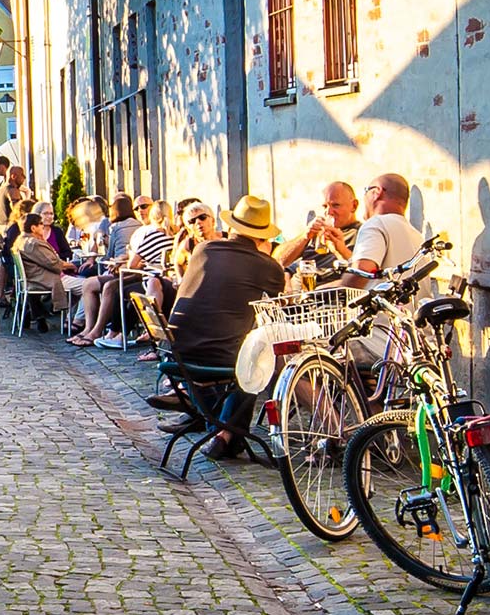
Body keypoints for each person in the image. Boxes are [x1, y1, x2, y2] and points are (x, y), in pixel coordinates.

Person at [165, 195, 286, 460]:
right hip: (220, 357)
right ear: (262, 237)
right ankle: (225, 435)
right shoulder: (267, 266)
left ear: (232, 227)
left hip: (178, 353)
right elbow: (276, 307)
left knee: (245, 355)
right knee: (258, 360)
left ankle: (222, 434)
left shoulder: (203, 249)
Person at [73, 200, 175, 348]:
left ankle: (110, 333)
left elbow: (131, 263)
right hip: (162, 279)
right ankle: (99, 331)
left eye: (144, 207)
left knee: (117, 290)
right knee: (107, 286)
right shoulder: (175, 234)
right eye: (137, 208)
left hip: (149, 278)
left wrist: (121, 260)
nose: (140, 210)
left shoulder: (150, 233)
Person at [338, 174, 423, 287]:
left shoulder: (376, 224)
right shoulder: (417, 236)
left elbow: (361, 272)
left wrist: (336, 294)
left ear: (377, 192)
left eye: (366, 191)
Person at [276, 181, 362, 268]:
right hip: (300, 278)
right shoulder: (317, 232)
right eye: (325, 206)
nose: (329, 212)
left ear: (354, 206)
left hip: (327, 280)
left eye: (335, 205)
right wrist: (304, 237)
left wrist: (341, 250)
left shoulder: (362, 234)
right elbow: (277, 262)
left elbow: (363, 271)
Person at [14, 211, 71, 315]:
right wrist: (71, 265)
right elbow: (53, 264)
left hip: (33, 279)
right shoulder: (34, 243)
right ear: (33, 228)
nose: (43, 226)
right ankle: (74, 321)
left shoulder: (20, 240)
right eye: (41, 223)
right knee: (85, 286)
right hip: (42, 280)